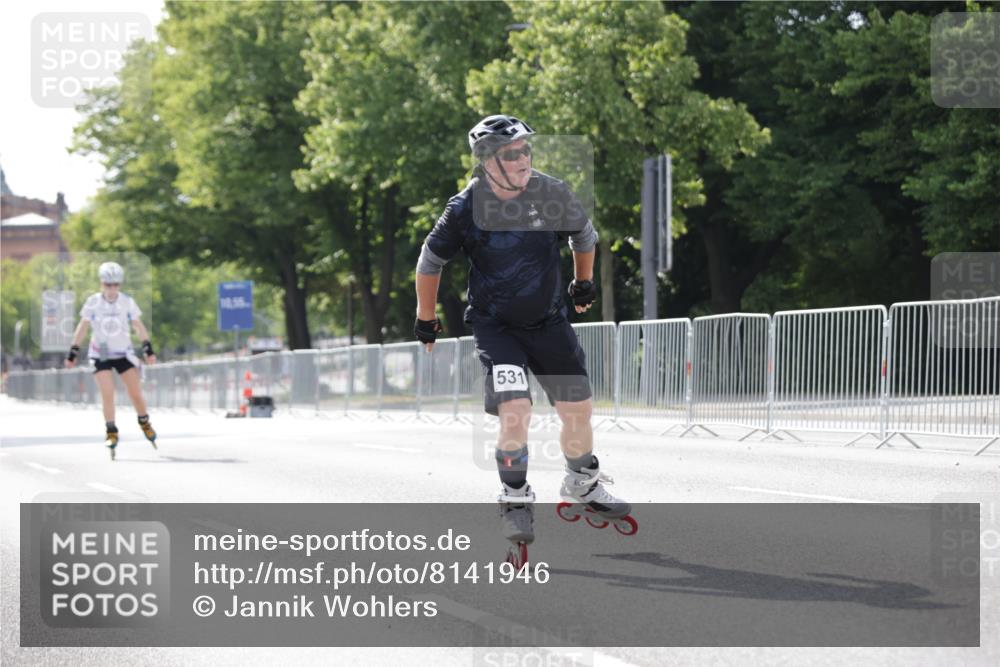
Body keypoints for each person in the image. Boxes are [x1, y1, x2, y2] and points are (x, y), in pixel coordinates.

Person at [414, 114, 630, 546]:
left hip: (549, 322)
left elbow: (584, 237)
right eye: (512, 153)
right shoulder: (464, 208)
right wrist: (425, 316)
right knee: (516, 412)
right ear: (487, 162)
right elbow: (430, 260)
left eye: (527, 149)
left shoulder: (551, 192)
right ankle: (514, 498)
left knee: (579, 411)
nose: (523, 158)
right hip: (497, 329)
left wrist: (582, 281)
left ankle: (582, 482)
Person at [65, 261, 158, 460]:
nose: (112, 289)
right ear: (101, 284)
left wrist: (147, 348)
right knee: (108, 393)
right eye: (108, 285)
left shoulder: (126, 301)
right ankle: (111, 430)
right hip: (101, 354)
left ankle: (144, 421)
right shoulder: (93, 302)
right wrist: (73, 351)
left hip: (123, 353)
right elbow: (82, 327)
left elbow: (138, 326)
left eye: (115, 284)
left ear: (120, 285)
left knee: (135, 394)